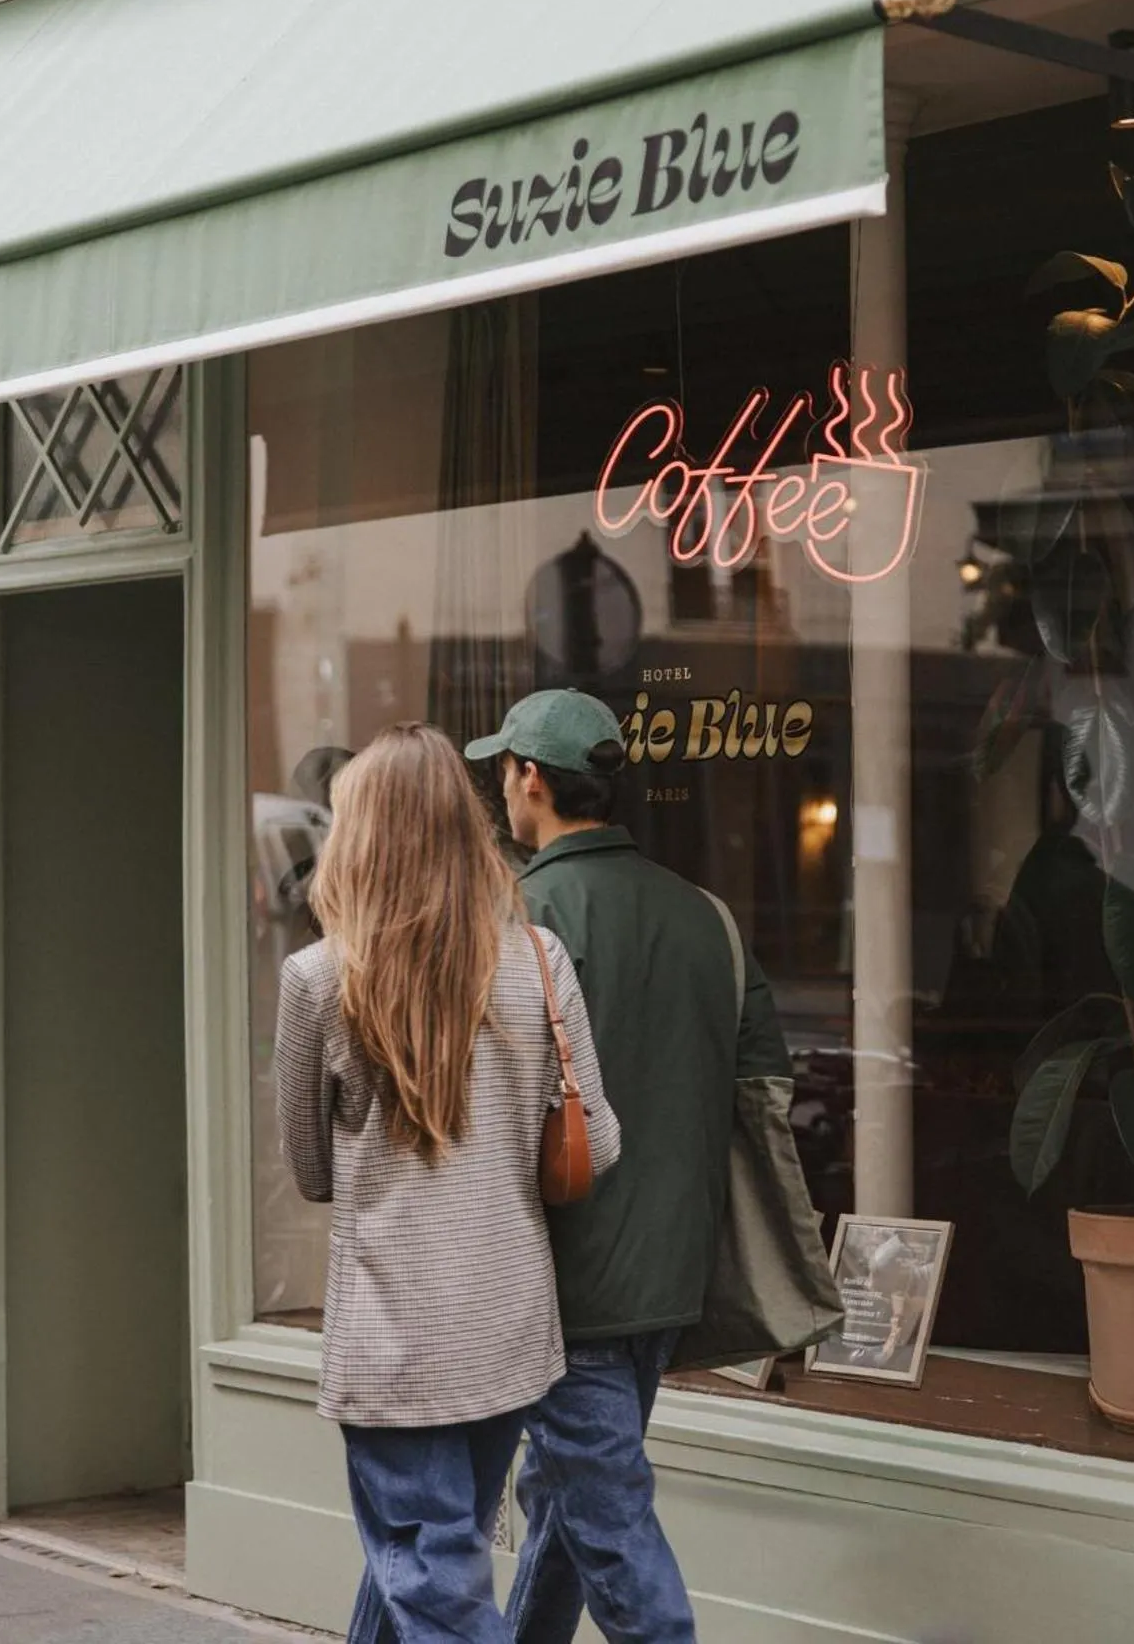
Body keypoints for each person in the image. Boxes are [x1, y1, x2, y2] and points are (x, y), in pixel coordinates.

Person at [275, 722, 620, 1644]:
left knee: (431, 1579)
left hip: (395, 1336)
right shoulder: (538, 961)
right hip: (507, 1325)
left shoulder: (316, 979)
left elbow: (311, 1172)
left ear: (360, 834)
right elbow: (605, 1142)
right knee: (436, 1556)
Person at [465, 689, 791, 1644]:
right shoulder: (710, 918)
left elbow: (479, 1111)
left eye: (504, 773)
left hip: (565, 1280)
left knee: (607, 1521)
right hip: (674, 1273)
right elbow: (763, 1094)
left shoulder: (521, 920)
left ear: (530, 778)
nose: (501, 793)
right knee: (571, 1495)